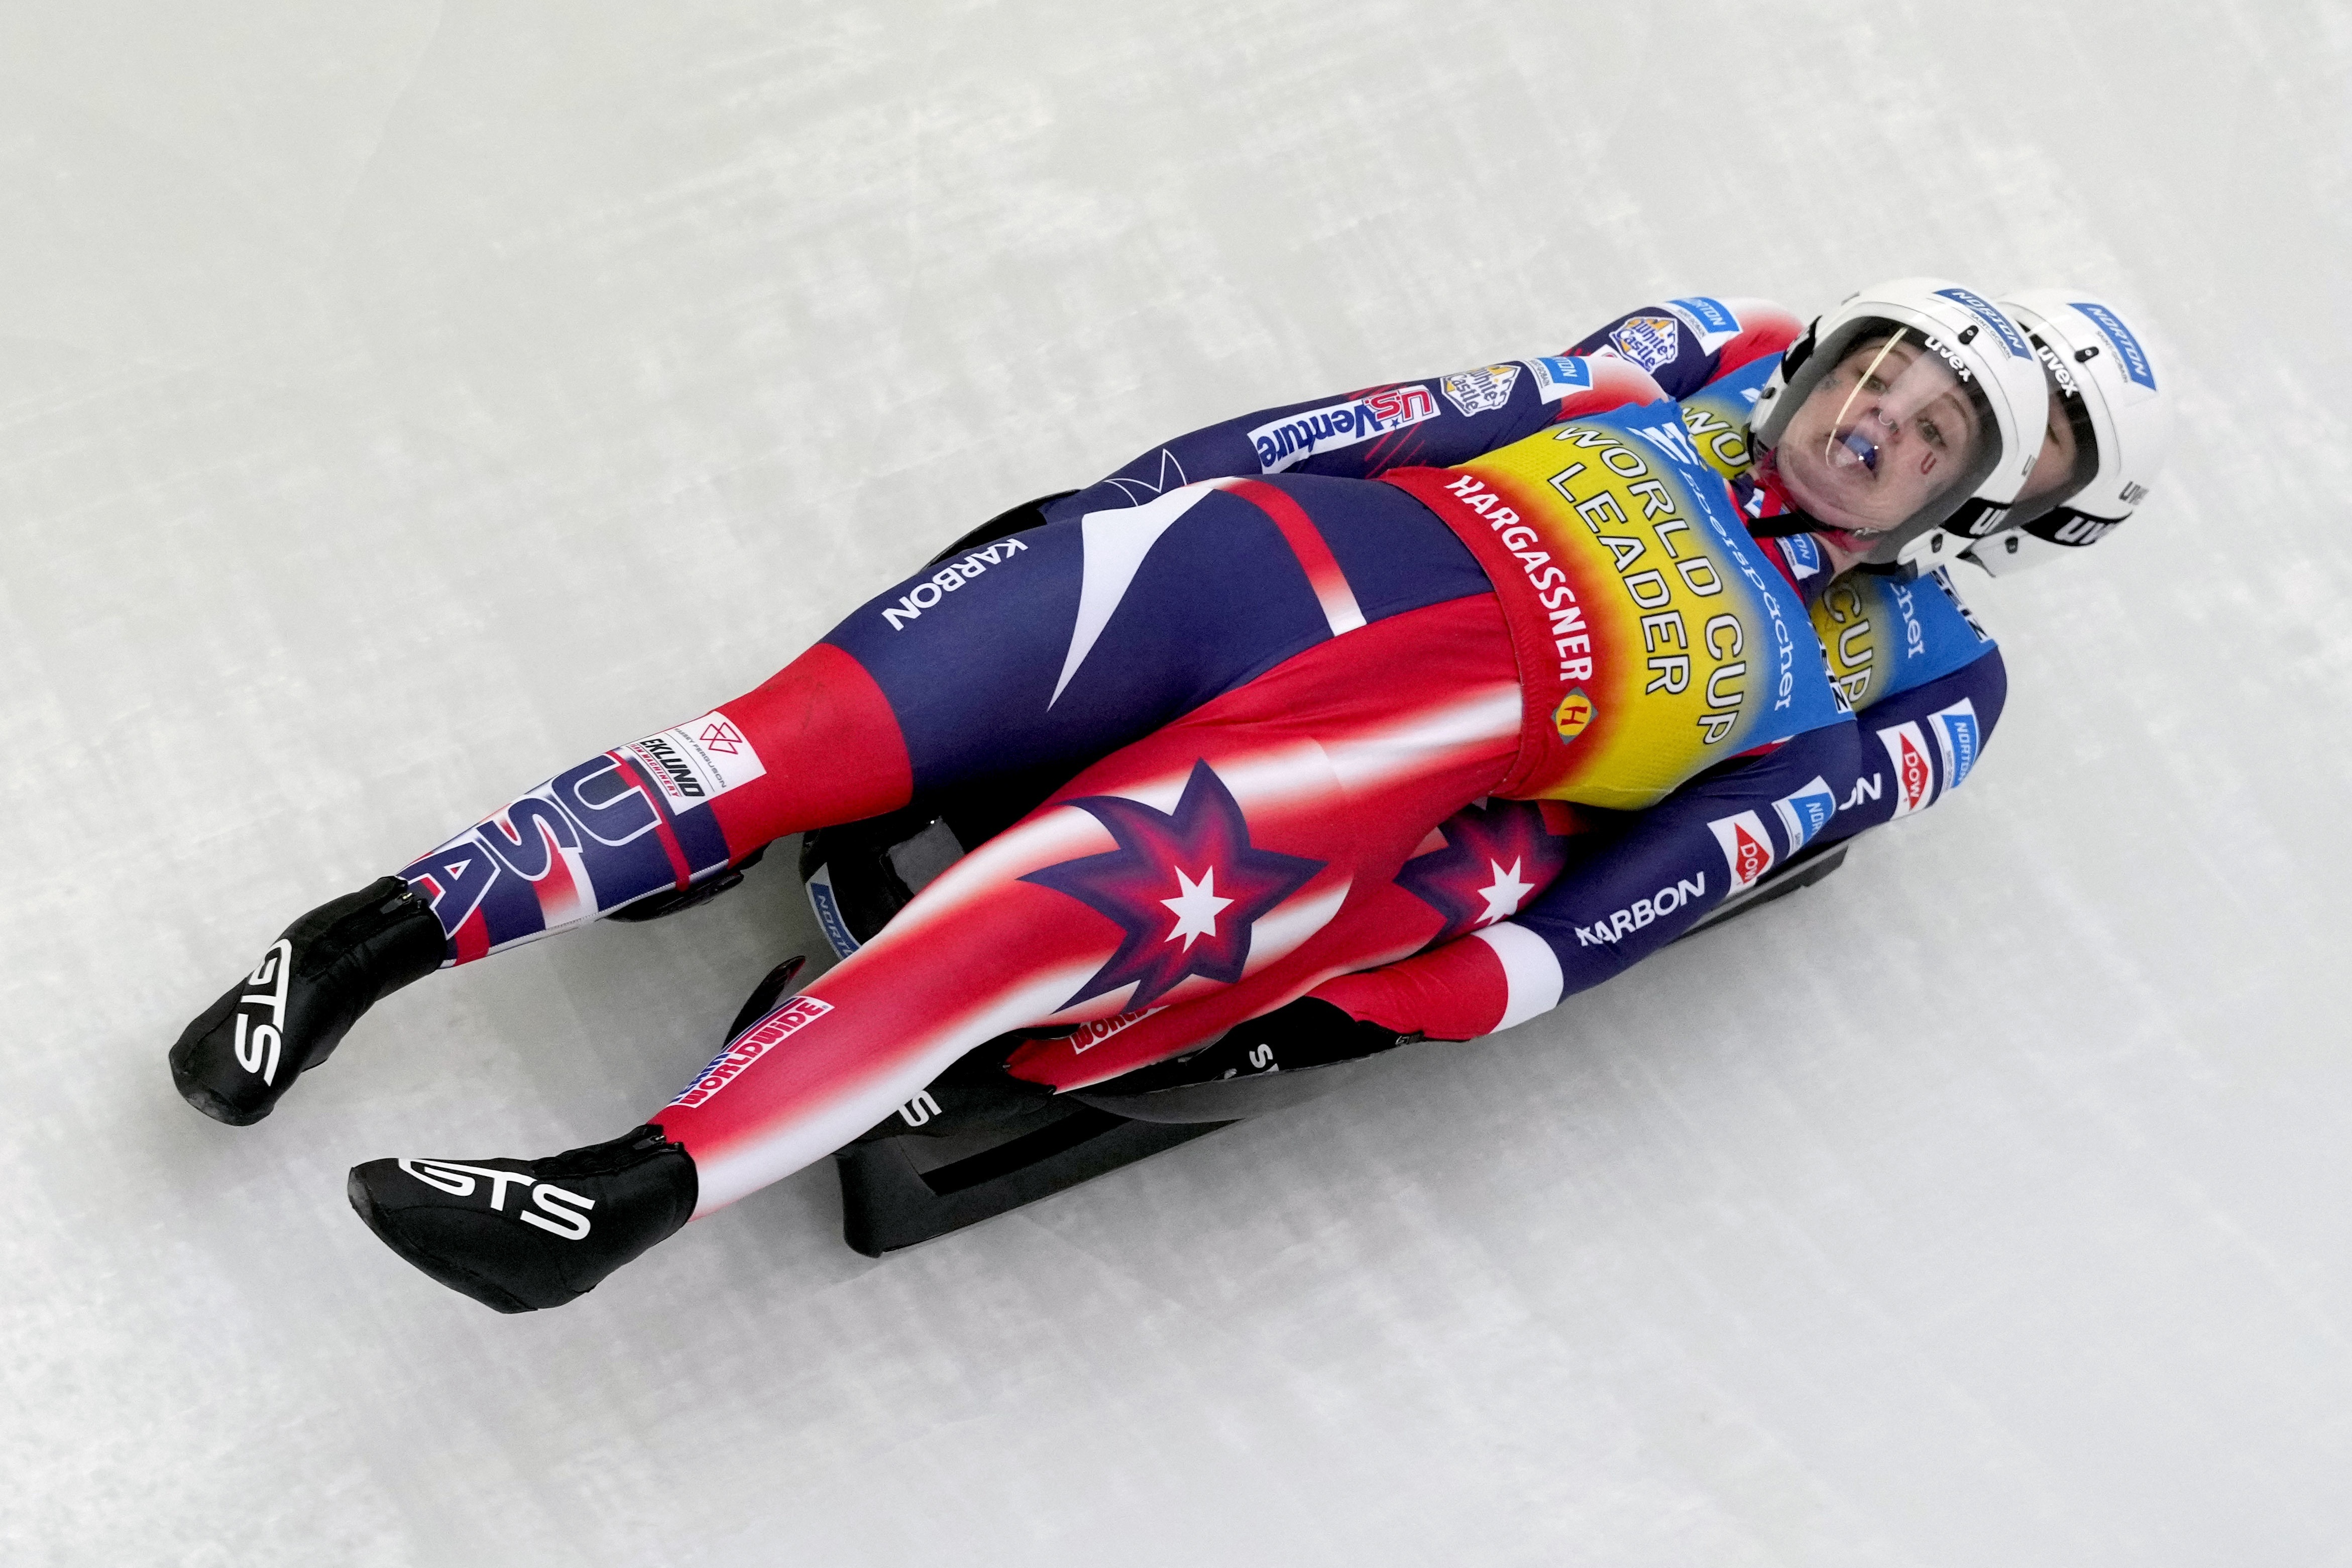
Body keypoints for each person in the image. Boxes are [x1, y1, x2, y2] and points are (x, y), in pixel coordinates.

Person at [168, 279, 2048, 1312]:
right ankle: (349, 949)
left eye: (1931, 426)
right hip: (1229, 569)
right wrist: (1124, 506)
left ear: (1961, 512)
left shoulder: (1910, 673)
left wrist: (1447, 980)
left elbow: (1680, 874)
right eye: (1880, 362)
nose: (1877, 406)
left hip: (1361, 756)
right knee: (786, 740)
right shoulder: (1695, 357)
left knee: (1013, 927)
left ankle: (620, 1195)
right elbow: (1407, 417)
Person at [1142, 287, 2173, 1085]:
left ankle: (1335, 1001)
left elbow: (1794, 815)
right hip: (1465, 582)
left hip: (1574, 769)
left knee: (1514, 851)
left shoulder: (1958, 668)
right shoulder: (1764, 347)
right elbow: (1517, 404)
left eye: (2044, 434)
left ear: (2056, 509)